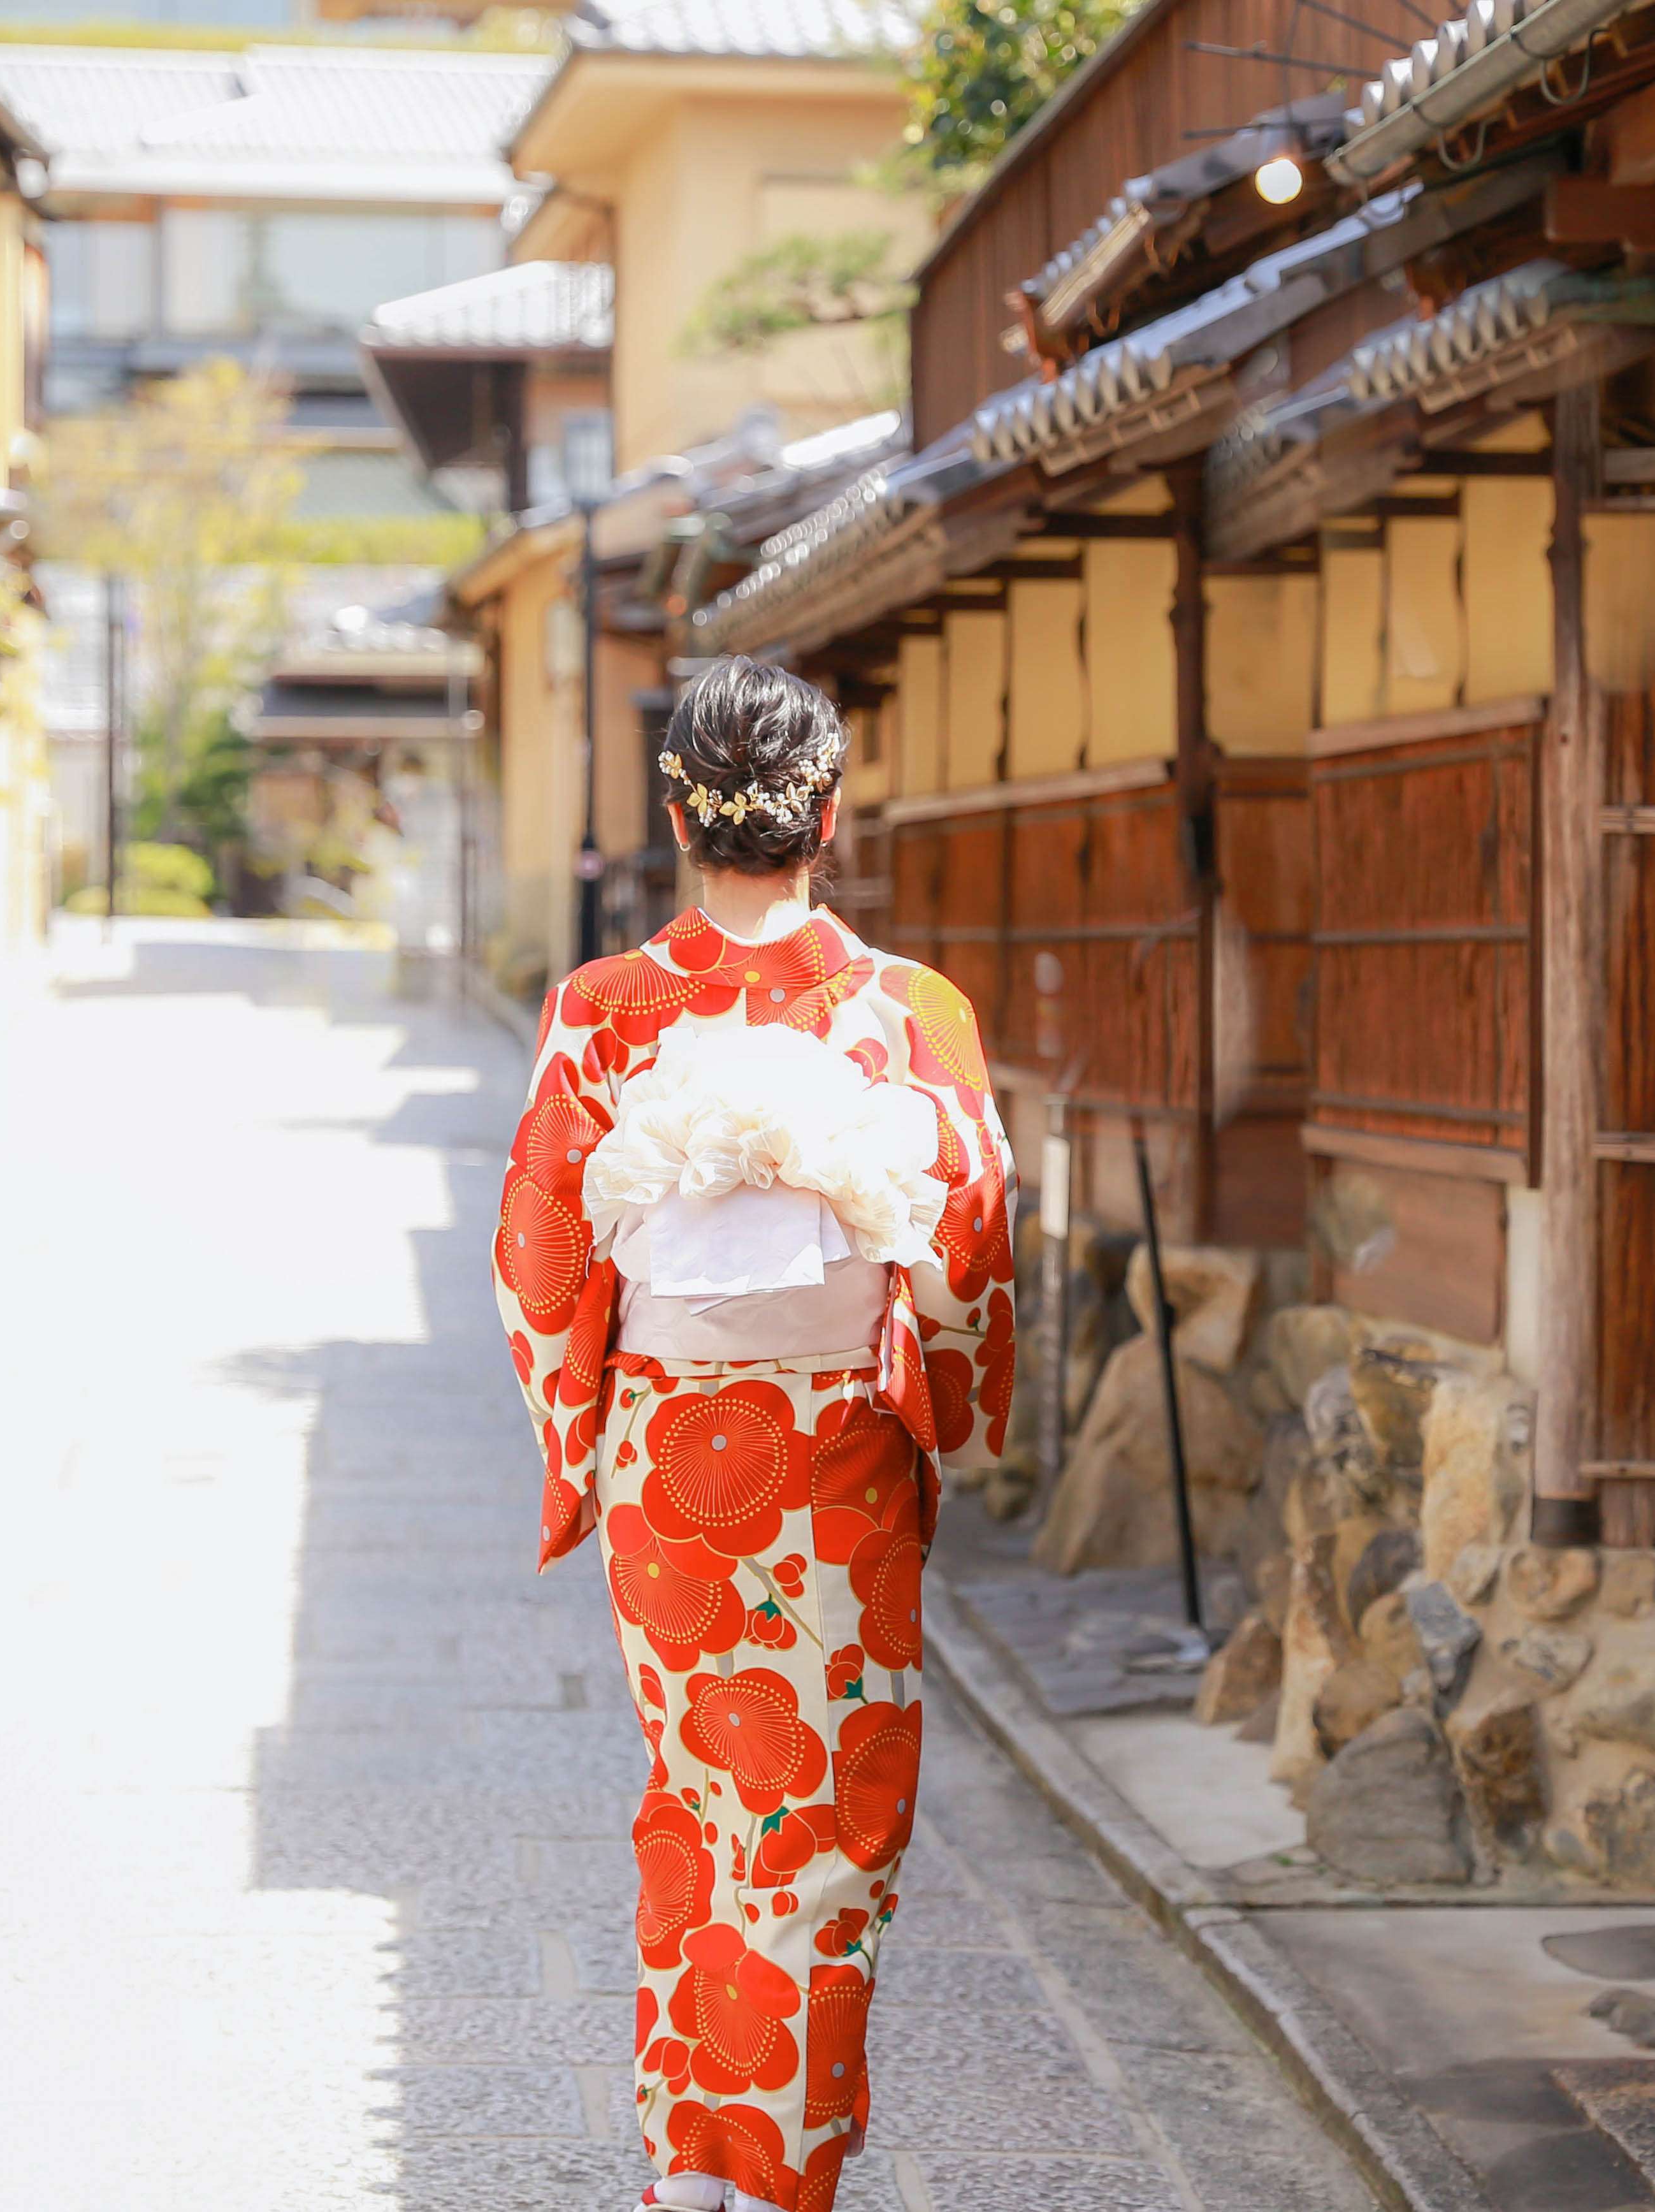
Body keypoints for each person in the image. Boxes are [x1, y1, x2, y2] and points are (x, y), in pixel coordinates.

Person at [491, 657, 1016, 2212]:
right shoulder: (915, 1016)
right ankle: (776, 2181)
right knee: (827, 1830)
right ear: (830, 818)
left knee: (700, 1802)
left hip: (668, 1459)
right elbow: (969, 1253)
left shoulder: (604, 1011)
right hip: (840, 1461)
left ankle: (688, 2171)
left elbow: (540, 1254)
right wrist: (949, 1394)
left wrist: (578, 1433)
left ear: (675, 819)